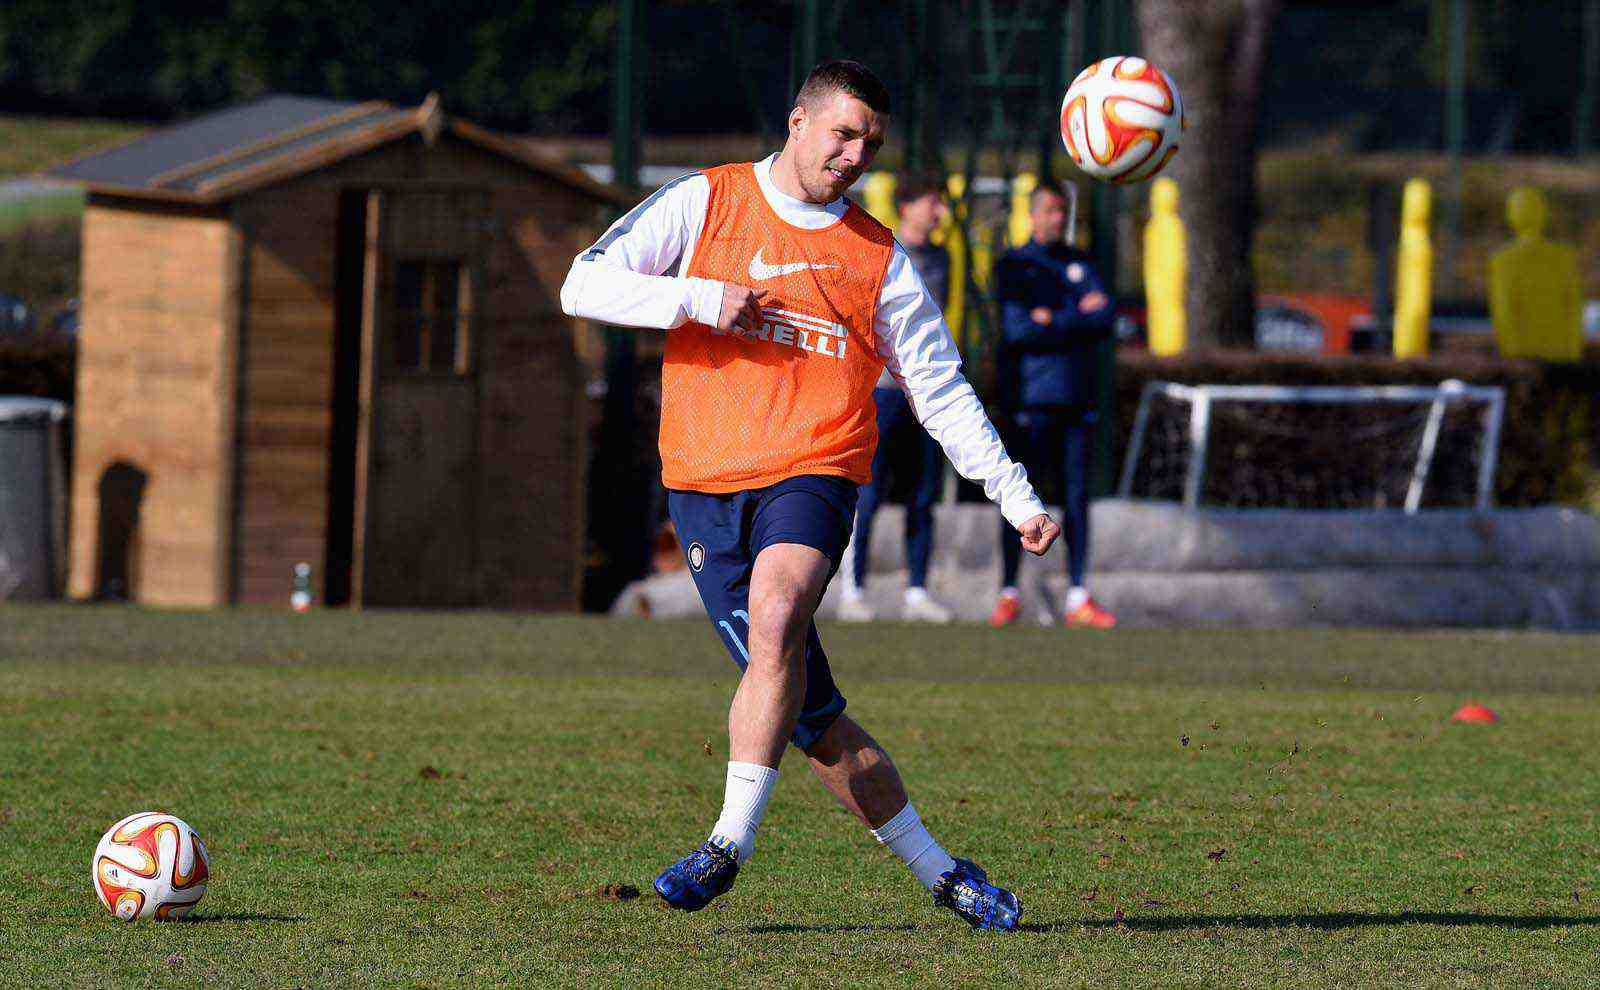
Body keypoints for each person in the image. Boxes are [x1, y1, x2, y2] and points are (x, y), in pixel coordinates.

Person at [560, 61, 1058, 930]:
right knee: (816, 720)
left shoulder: (875, 257)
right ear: (798, 121)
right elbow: (583, 284)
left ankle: (726, 844)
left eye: (870, 142)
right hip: (705, 484)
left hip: (816, 468)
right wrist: (699, 299)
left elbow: (938, 386)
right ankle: (946, 875)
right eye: (844, 133)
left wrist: (1014, 494)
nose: (856, 154)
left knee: (780, 605)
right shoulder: (703, 202)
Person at [989, 180, 1117, 629]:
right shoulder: (1014, 264)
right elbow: (1019, 329)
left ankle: (1078, 594)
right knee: (1020, 498)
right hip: (1030, 400)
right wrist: (1076, 316)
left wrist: (1054, 319)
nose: (1057, 218)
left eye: (1063, 211)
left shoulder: (1082, 261)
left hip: (1076, 399)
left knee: (1077, 499)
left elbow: (1104, 319)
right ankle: (1009, 591)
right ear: (1032, 214)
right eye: (1048, 210)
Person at [837, 175, 955, 624]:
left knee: (923, 496)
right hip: (883, 392)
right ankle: (853, 589)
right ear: (906, 206)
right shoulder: (882, 250)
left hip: (922, 394)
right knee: (869, 492)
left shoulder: (943, 257)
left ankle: (917, 591)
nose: (938, 211)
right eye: (931, 200)